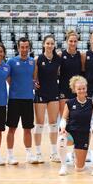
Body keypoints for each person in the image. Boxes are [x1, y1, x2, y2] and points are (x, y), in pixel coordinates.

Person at [6, 37, 37, 164]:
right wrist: (15, 86)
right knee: (12, 128)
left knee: (28, 129)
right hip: (14, 99)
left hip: (28, 99)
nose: (24, 49)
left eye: (26, 47)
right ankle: (10, 155)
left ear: (29, 48)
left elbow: (34, 79)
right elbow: (7, 77)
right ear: (18, 48)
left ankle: (29, 154)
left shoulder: (32, 62)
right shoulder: (11, 61)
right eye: (22, 47)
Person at [33, 35, 61, 163]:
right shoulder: (38, 59)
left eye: (52, 43)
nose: (50, 46)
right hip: (40, 94)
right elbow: (34, 77)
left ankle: (54, 153)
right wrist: (34, 82)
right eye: (48, 43)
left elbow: (60, 73)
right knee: (39, 124)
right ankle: (38, 153)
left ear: (54, 45)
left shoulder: (58, 59)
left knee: (53, 123)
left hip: (54, 93)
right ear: (44, 44)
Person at [57, 76, 93, 175]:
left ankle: (75, 155)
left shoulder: (92, 102)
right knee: (61, 139)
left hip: (84, 134)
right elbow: (63, 118)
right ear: (74, 90)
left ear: (86, 88)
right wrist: (63, 128)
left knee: (79, 168)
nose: (81, 91)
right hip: (71, 133)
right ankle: (63, 166)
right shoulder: (69, 103)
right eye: (79, 89)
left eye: (83, 88)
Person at [59, 30, 83, 116]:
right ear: (66, 41)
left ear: (77, 42)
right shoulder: (61, 55)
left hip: (77, 90)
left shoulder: (81, 56)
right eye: (71, 41)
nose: (73, 43)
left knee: (76, 117)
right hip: (64, 89)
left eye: (75, 41)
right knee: (64, 117)